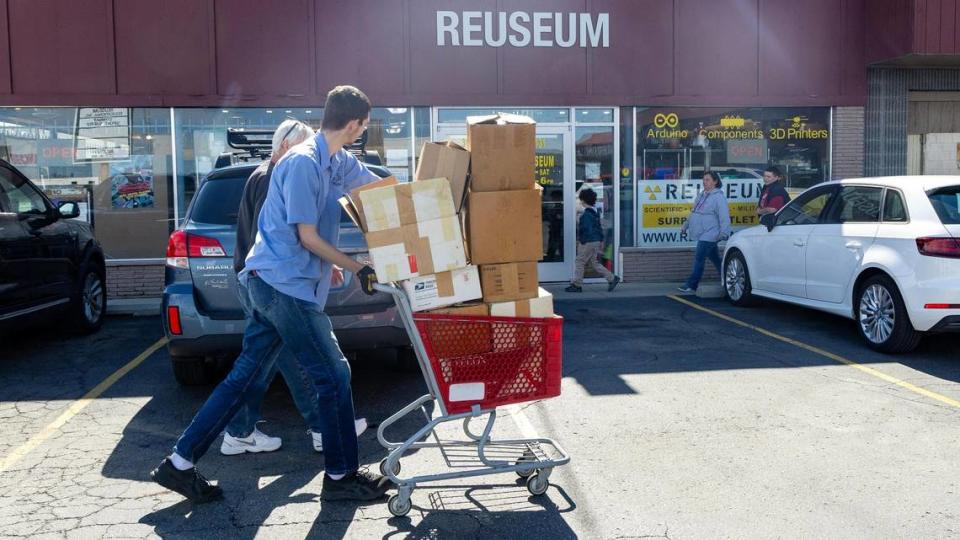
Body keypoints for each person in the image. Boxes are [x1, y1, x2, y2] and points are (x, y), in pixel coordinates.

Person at [151, 85, 392, 503]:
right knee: (334, 374)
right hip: (282, 289)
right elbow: (306, 235)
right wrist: (357, 267)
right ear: (353, 124)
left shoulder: (334, 159)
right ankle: (340, 476)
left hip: (277, 283)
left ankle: (179, 464)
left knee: (243, 378)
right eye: (363, 126)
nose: (362, 133)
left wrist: (430, 195)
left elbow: (377, 189)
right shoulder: (301, 163)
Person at [222, 118, 367, 457]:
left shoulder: (265, 173)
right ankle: (320, 427)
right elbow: (280, 237)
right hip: (271, 281)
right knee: (291, 358)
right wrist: (333, 262)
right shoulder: (277, 174)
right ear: (286, 146)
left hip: (261, 278)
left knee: (263, 360)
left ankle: (237, 432)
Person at [677, 171, 733, 294]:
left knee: (699, 257)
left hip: (711, 233)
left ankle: (692, 285)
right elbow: (694, 212)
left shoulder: (719, 197)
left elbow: (724, 217)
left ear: (715, 181)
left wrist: (724, 232)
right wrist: (685, 225)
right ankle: (729, 279)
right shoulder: (702, 195)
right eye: (704, 179)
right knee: (715, 259)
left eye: (707, 180)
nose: (704, 182)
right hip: (703, 233)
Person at [565, 188, 620, 293]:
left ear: (582, 200)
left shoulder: (585, 215)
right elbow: (598, 228)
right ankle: (612, 278)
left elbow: (586, 230)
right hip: (595, 241)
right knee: (594, 262)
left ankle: (577, 285)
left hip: (588, 241)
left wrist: (582, 241)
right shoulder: (594, 213)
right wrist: (601, 240)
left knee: (580, 261)